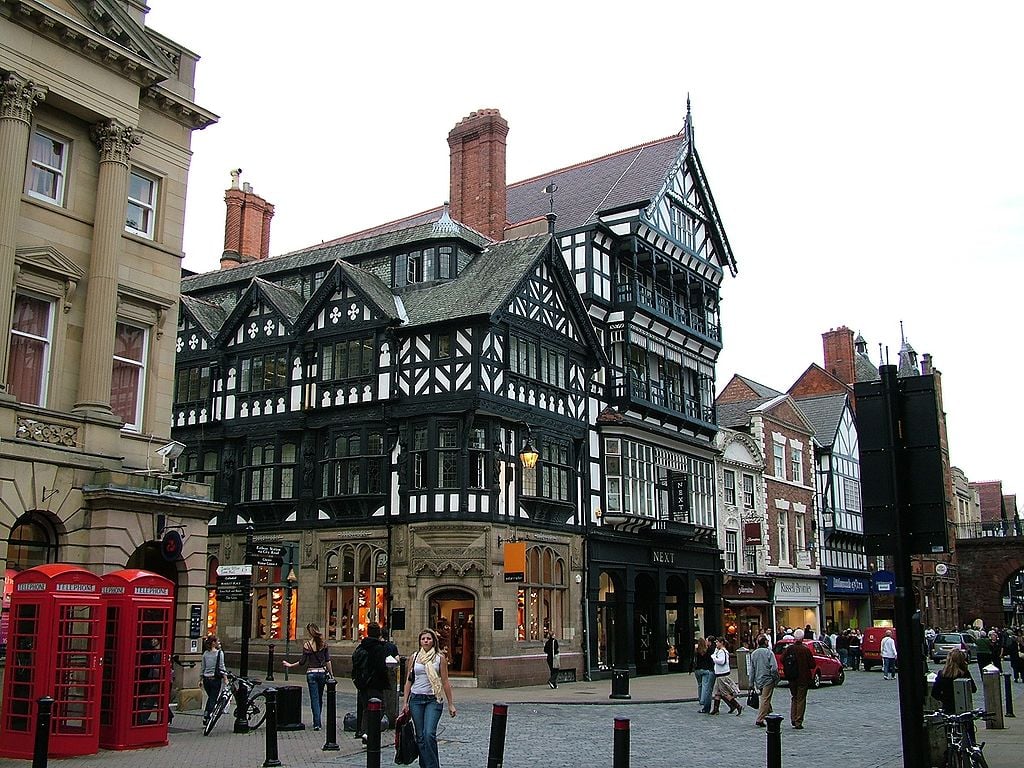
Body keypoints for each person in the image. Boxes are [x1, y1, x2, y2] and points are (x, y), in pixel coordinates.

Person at [402, 628, 456, 768]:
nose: (426, 641)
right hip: (416, 699)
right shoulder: (414, 658)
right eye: (423, 639)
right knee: (420, 737)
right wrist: (405, 702)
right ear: (420, 641)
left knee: (429, 735)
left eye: (429, 638)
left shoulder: (440, 658)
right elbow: (409, 680)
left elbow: (445, 681)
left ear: (433, 641)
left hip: (433, 699)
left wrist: (451, 704)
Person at [283, 623, 333, 731]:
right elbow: (328, 661)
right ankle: (318, 721)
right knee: (319, 697)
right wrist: (331, 674)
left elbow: (302, 662)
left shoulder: (307, 645)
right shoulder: (324, 644)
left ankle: (317, 723)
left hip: (311, 673)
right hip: (321, 673)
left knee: (314, 698)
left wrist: (290, 665)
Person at [350, 622, 389, 743]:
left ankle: (364, 732)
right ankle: (369, 733)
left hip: (362, 683)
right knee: (379, 708)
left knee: (366, 709)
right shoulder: (379, 648)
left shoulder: (361, 646)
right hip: (375, 683)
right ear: (379, 634)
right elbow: (381, 667)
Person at [782, 629, 814, 729]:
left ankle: (793, 718)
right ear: (802, 638)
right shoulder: (805, 650)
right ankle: (798, 720)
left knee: (794, 697)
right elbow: (812, 664)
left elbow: (782, 659)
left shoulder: (789, 649)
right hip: (803, 678)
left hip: (792, 677)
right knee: (801, 699)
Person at [748, 635, 780, 727]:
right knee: (765, 699)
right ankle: (760, 719)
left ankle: (770, 712)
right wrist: (776, 678)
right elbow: (774, 668)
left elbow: (752, 670)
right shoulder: (769, 653)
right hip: (768, 679)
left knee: (765, 697)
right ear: (765, 642)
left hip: (759, 679)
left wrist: (751, 682)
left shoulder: (754, 653)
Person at [931, 649, 977, 713]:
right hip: (963, 706)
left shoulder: (942, 674)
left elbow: (934, 693)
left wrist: (944, 699)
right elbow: (973, 689)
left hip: (947, 707)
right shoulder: (964, 674)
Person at [710, 636, 743, 715]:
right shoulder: (718, 651)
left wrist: (714, 658)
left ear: (721, 643)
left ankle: (737, 705)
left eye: (717, 642)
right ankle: (716, 709)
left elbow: (721, 661)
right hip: (719, 674)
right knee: (717, 693)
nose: (716, 644)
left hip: (722, 675)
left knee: (725, 693)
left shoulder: (723, 651)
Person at [200, 635, 228, 726]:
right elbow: (221, 667)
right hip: (215, 679)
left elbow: (203, 667)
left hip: (206, 680)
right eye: (217, 641)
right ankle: (209, 716)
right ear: (213, 643)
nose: (218, 643)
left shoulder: (205, 653)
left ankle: (205, 715)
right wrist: (225, 678)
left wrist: (200, 679)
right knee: (213, 698)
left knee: (210, 697)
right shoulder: (219, 653)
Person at [693, 636, 715, 714]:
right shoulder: (707, 650)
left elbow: (693, 659)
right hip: (706, 669)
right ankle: (703, 700)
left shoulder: (696, 650)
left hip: (697, 670)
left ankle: (700, 699)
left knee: (700, 685)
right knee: (705, 685)